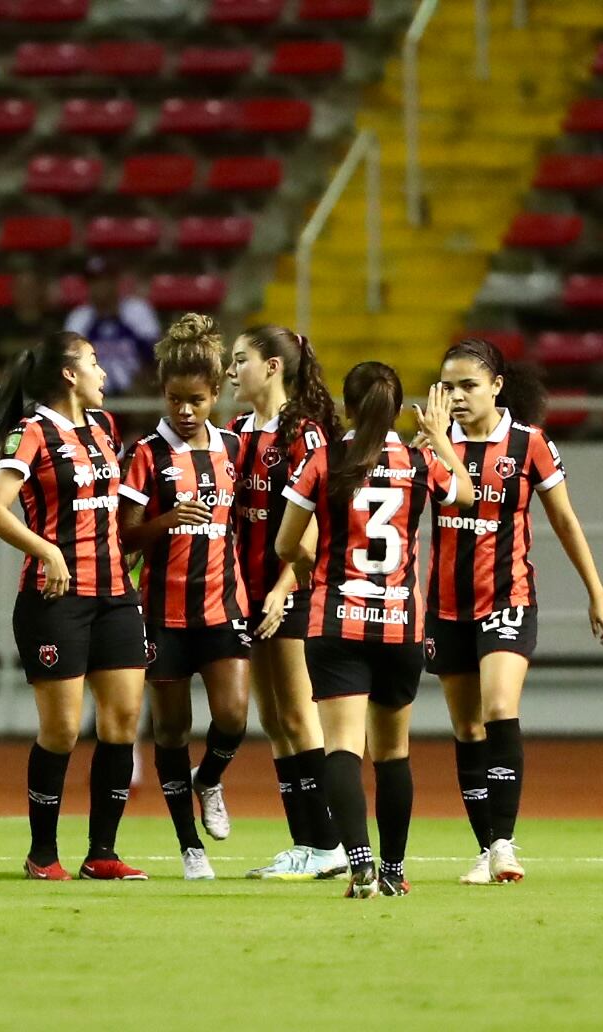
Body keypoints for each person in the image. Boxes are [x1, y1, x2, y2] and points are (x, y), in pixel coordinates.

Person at [276, 362, 474, 898]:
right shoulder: (416, 462)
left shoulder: (324, 459)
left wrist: (308, 568)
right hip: (399, 625)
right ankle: (391, 871)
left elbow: (285, 542)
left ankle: (358, 859)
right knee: (393, 753)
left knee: (341, 747)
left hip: (337, 619)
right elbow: (467, 494)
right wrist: (440, 440)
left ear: (346, 406)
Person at [0, 331, 148, 881]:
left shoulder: (106, 428)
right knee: (62, 729)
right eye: (94, 362)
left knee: (123, 720)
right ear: (69, 374)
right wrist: (45, 550)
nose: (104, 373)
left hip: (115, 594)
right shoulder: (32, 432)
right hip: (55, 598)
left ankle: (102, 853)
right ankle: (43, 853)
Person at [426, 338, 603, 885]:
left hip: (508, 597)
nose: (457, 396)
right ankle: (485, 847)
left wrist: (596, 593)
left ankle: (504, 845)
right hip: (446, 606)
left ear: (496, 387)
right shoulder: (432, 445)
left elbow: (564, 520)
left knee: (499, 705)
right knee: (465, 727)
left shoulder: (529, 444)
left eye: (469, 386)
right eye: (449, 387)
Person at [117, 314, 250, 880]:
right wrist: (167, 520)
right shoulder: (147, 452)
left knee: (234, 716)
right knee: (171, 731)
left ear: (216, 394)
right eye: (175, 399)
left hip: (222, 605)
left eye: (196, 400)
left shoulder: (234, 449)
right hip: (164, 615)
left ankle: (211, 778)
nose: (185, 411)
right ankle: (188, 846)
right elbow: (124, 533)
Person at [225, 325, 347, 881]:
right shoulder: (233, 432)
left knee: (300, 715)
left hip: (292, 590)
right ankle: (306, 843)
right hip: (247, 593)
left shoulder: (307, 436)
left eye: (241, 359)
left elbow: (317, 527)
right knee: (274, 720)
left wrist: (282, 587)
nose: (231, 370)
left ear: (273, 366)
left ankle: (330, 843)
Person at [63, 257, 161, 396]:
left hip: (136, 392)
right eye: (94, 282)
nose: (100, 287)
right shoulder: (79, 317)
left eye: (105, 280)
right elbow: (70, 364)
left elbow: (155, 356)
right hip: (93, 393)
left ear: (115, 282)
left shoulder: (137, 310)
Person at [0, 270, 56, 388]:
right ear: (12, 290)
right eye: (21, 288)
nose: (26, 293)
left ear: (41, 290)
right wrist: (8, 387)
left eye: (31, 288)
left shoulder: (55, 322)